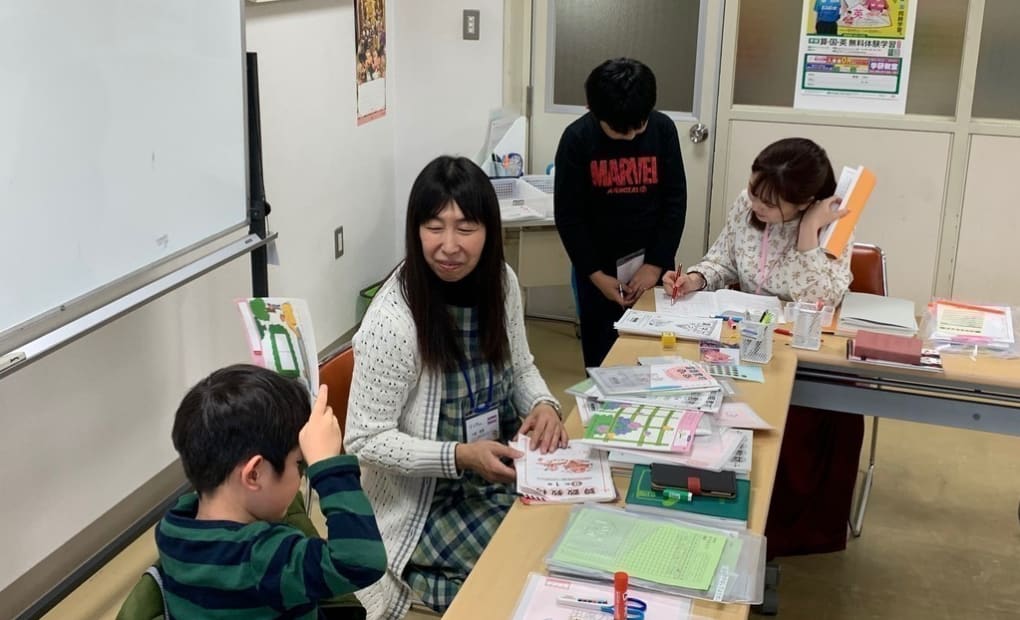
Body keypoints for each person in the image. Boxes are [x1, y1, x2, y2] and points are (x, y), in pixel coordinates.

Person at [344, 155, 568, 618]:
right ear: (415, 229)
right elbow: (365, 441)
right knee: (523, 570)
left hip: (500, 467)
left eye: (465, 228)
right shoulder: (393, 321)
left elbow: (522, 367)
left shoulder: (501, 282)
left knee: (566, 539)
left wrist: (545, 404)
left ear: (489, 230)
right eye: (434, 227)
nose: (449, 246)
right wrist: (460, 457)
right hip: (427, 506)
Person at [663, 137, 862, 558]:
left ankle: (776, 535)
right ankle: (716, 510)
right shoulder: (747, 204)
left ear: (805, 200)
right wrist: (695, 280)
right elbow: (723, 260)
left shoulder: (833, 220)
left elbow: (821, 297)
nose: (756, 205)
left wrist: (809, 230)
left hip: (803, 350)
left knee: (790, 427)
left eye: (770, 204)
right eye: (754, 191)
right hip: (743, 340)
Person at [155, 364, 387, 619]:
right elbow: (361, 562)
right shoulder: (265, 558)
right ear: (254, 474)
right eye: (299, 464)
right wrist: (327, 466)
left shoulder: (172, 528)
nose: (302, 477)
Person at [554, 57, 687, 369]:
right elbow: (569, 216)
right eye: (619, 130)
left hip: (653, 265)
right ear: (592, 109)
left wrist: (654, 265)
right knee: (603, 359)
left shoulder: (663, 130)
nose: (630, 136)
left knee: (655, 356)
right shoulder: (576, 140)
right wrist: (597, 276)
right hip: (597, 272)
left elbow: (675, 201)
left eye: (638, 127)